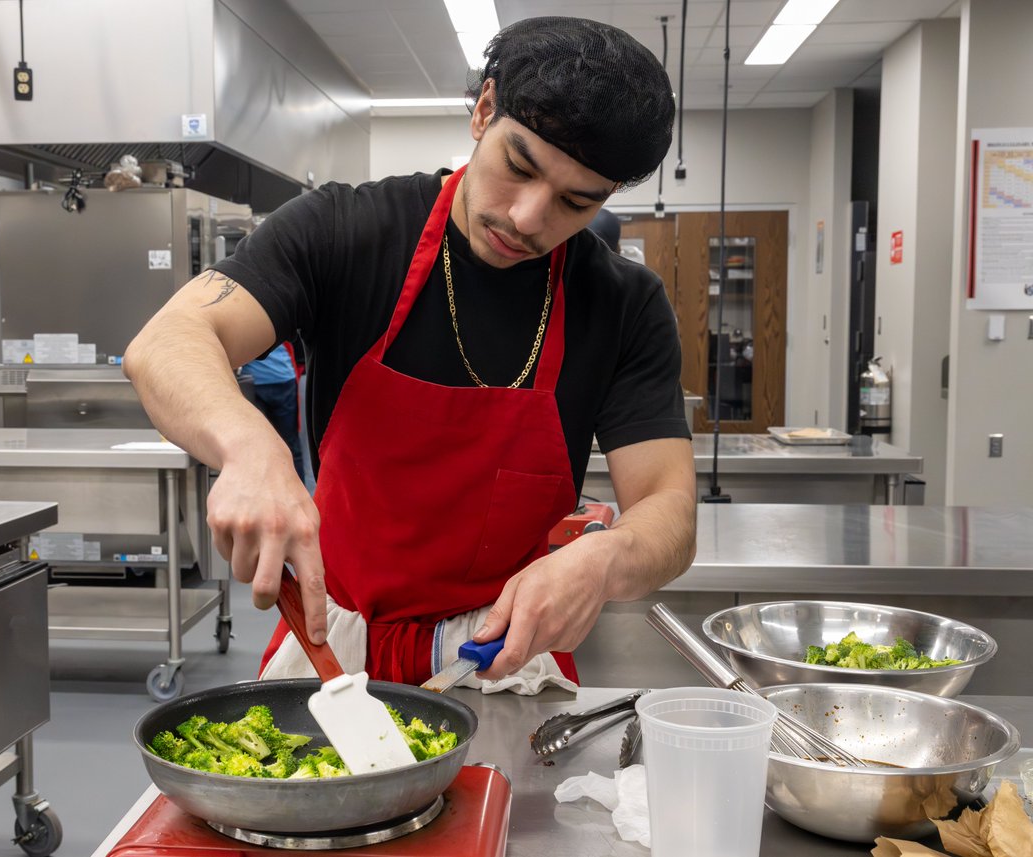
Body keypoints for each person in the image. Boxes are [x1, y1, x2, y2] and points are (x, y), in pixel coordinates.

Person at [125, 16, 697, 691]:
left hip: (501, 662)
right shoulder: (348, 231)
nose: (527, 217)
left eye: (575, 202)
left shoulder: (622, 302)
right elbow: (168, 338)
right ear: (484, 111)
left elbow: (670, 507)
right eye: (519, 166)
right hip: (332, 652)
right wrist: (251, 448)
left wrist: (608, 557)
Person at [242, 343, 305, 481]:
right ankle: (299, 491)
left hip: (255, 383)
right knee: (291, 445)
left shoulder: (238, 322)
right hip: (284, 377)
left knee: (260, 446)